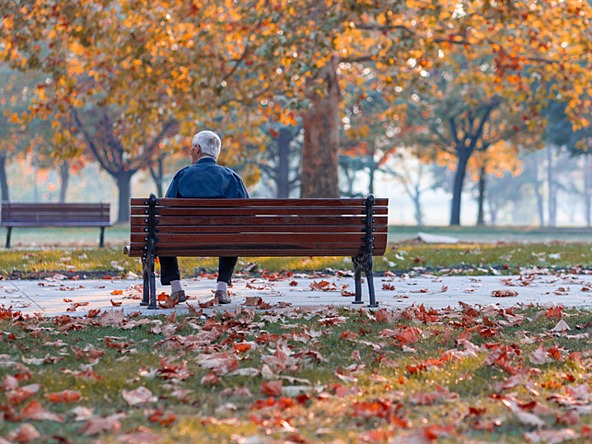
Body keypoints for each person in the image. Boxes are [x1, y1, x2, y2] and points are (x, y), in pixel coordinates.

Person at [159, 130, 249, 305]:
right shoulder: (231, 177)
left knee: (160, 234)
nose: (191, 151)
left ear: (197, 149)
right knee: (232, 234)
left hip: (183, 240)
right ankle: (221, 289)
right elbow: (247, 214)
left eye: (192, 148)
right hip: (224, 239)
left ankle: (176, 289)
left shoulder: (182, 175)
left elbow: (165, 213)